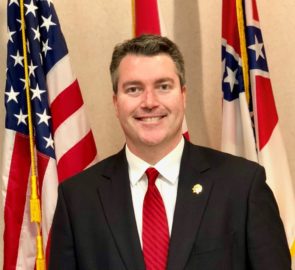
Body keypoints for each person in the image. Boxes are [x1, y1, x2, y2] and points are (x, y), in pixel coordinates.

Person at [49, 34, 291, 270]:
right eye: (133, 89)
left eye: (163, 86)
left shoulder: (242, 185)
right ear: (116, 102)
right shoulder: (78, 199)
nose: (149, 101)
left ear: (183, 96)